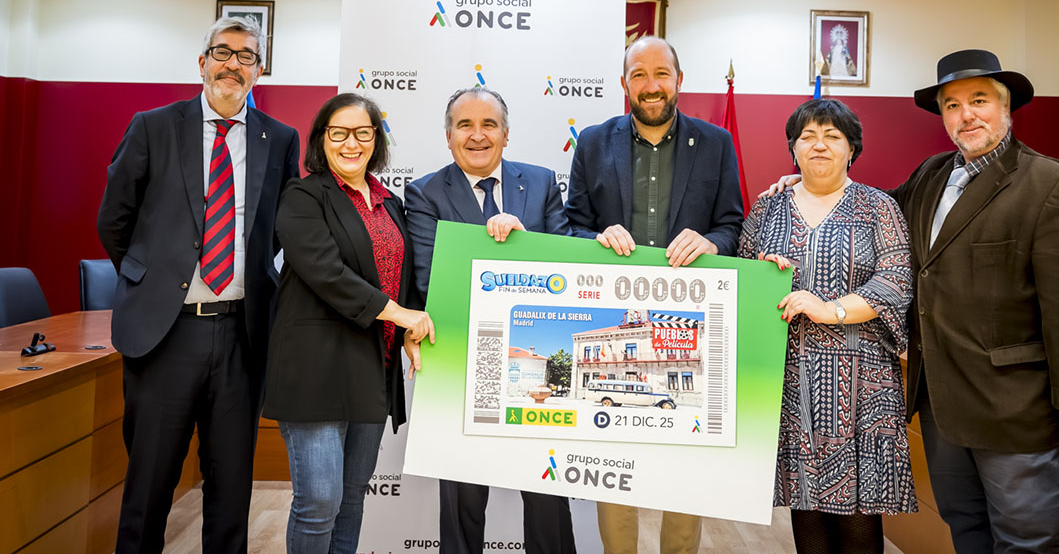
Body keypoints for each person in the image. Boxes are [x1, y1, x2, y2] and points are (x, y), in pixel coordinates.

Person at [893, 49, 1059, 553]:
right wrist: (811, 189)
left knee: (1027, 542)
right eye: (952, 105)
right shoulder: (930, 175)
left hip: (1018, 408)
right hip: (942, 403)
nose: (965, 114)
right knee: (966, 530)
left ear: (1006, 107)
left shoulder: (1054, 184)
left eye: (978, 100)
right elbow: (875, 217)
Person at [96, 17, 300, 554]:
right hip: (165, 335)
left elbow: (283, 228)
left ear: (259, 71)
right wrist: (151, 283)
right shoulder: (153, 126)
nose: (233, 64)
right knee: (149, 489)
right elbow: (114, 220)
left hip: (241, 337)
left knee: (231, 491)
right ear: (202, 61)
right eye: (223, 52)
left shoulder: (279, 140)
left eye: (246, 56)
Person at [564, 35, 744, 554]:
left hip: (689, 328)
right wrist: (595, 239)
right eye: (638, 74)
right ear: (623, 84)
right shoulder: (594, 142)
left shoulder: (715, 143)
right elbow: (573, 225)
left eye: (661, 73)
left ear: (679, 80)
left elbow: (733, 225)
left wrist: (710, 241)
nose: (650, 85)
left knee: (684, 459)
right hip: (610, 322)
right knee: (613, 461)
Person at [738, 98, 916, 554]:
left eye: (832, 136)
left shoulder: (879, 207)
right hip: (791, 380)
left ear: (852, 149)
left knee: (858, 514)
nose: (819, 145)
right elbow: (739, 284)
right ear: (793, 149)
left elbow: (896, 282)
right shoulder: (767, 209)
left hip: (863, 385)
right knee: (806, 504)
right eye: (808, 137)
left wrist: (829, 309)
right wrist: (763, 271)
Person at [405, 85, 576, 554]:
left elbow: (568, 269)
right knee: (461, 497)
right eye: (465, 125)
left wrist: (525, 244)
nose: (477, 135)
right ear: (447, 136)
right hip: (460, 362)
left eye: (488, 125)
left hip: (532, 366)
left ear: (506, 134)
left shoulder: (541, 183)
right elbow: (430, 278)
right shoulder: (422, 193)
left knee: (546, 494)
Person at [263, 93, 434, 554]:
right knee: (320, 500)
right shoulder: (302, 196)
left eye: (363, 132)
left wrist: (408, 334)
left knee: (352, 500)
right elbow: (326, 272)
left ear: (376, 139)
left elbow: (399, 276)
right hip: (315, 370)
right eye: (339, 133)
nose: (351, 143)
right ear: (322, 139)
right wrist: (399, 314)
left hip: (371, 369)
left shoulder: (390, 203)